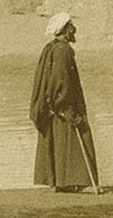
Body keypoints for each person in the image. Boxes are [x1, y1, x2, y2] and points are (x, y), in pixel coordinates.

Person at [29, 13, 100, 194]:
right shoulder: (62, 50)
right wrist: (64, 105)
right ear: (65, 29)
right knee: (75, 137)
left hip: (54, 105)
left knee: (60, 141)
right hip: (63, 105)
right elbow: (61, 80)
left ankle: (62, 182)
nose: (74, 30)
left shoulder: (52, 48)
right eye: (71, 27)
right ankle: (77, 181)